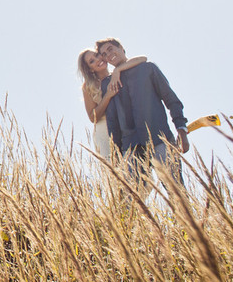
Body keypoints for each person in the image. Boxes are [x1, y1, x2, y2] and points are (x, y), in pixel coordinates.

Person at [95, 38, 189, 187]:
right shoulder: (108, 84)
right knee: (131, 202)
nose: (109, 54)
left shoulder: (147, 68)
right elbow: (113, 120)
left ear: (121, 47)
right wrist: (117, 154)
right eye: (104, 54)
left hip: (160, 139)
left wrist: (181, 130)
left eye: (111, 48)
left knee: (176, 191)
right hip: (130, 147)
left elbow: (171, 99)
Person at [77, 49, 147, 159]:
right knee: (115, 170)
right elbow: (92, 117)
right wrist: (108, 95)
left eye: (97, 55)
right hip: (105, 132)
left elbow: (143, 58)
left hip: (125, 129)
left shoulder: (117, 74)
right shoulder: (88, 86)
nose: (97, 60)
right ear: (90, 69)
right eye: (92, 61)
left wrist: (117, 70)